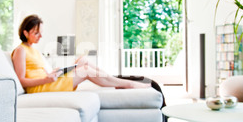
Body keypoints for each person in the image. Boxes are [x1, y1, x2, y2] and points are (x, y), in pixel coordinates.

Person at [11, 14, 151, 93]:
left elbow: (39, 71)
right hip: (42, 87)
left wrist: (53, 72)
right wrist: (47, 79)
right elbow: (22, 80)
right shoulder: (20, 51)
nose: (40, 36)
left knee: (83, 60)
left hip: (48, 80)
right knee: (85, 70)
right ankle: (128, 84)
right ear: (25, 32)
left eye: (41, 33)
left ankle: (114, 80)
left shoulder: (33, 50)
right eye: (36, 33)